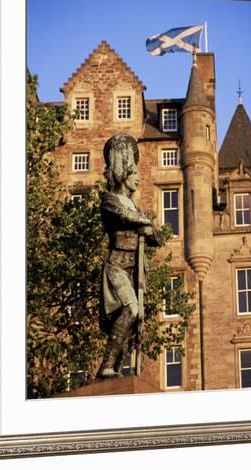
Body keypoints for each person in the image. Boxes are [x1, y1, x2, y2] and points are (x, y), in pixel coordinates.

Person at [98, 134, 162, 379]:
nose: (138, 176)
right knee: (131, 310)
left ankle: (113, 369)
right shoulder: (110, 199)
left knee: (133, 325)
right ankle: (107, 365)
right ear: (124, 169)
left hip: (135, 272)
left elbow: (157, 237)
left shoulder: (135, 207)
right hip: (116, 267)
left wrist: (148, 228)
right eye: (134, 171)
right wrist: (144, 223)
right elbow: (124, 216)